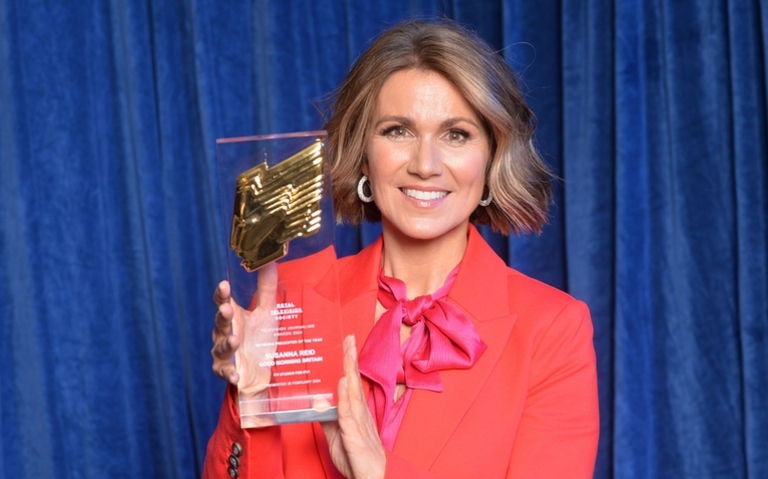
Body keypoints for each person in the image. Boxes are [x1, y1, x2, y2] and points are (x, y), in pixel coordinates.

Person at [204, 18, 599, 479]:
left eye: (457, 134)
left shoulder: (552, 330)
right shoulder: (293, 296)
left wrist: (380, 472)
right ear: (363, 153)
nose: (425, 165)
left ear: (491, 157)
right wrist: (249, 400)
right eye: (397, 131)